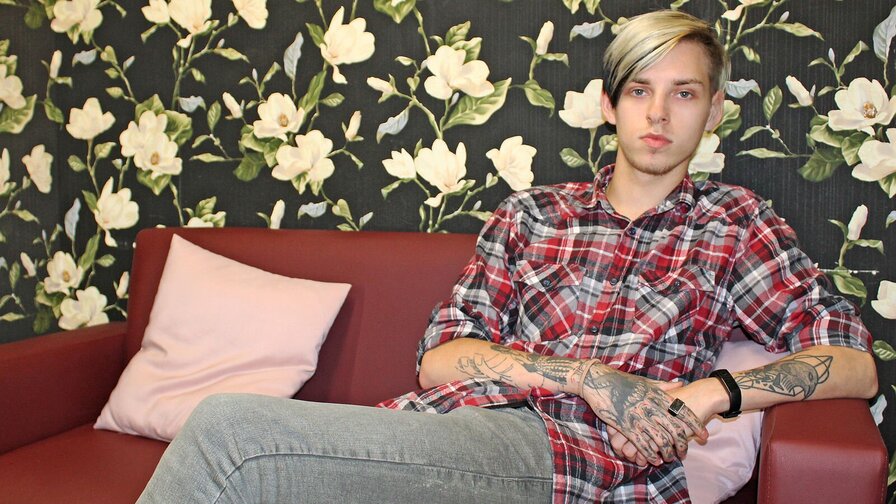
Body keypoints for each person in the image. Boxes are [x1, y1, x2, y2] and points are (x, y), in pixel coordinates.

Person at [138, 9, 877, 503]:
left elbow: (853, 362)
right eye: (640, 91)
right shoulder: (531, 214)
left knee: (230, 435)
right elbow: (439, 360)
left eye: (683, 94)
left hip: (580, 460)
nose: (657, 114)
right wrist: (589, 377)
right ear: (609, 104)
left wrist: (708, 394)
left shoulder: (733, 222)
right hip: (454, 428)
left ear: (713, 111)